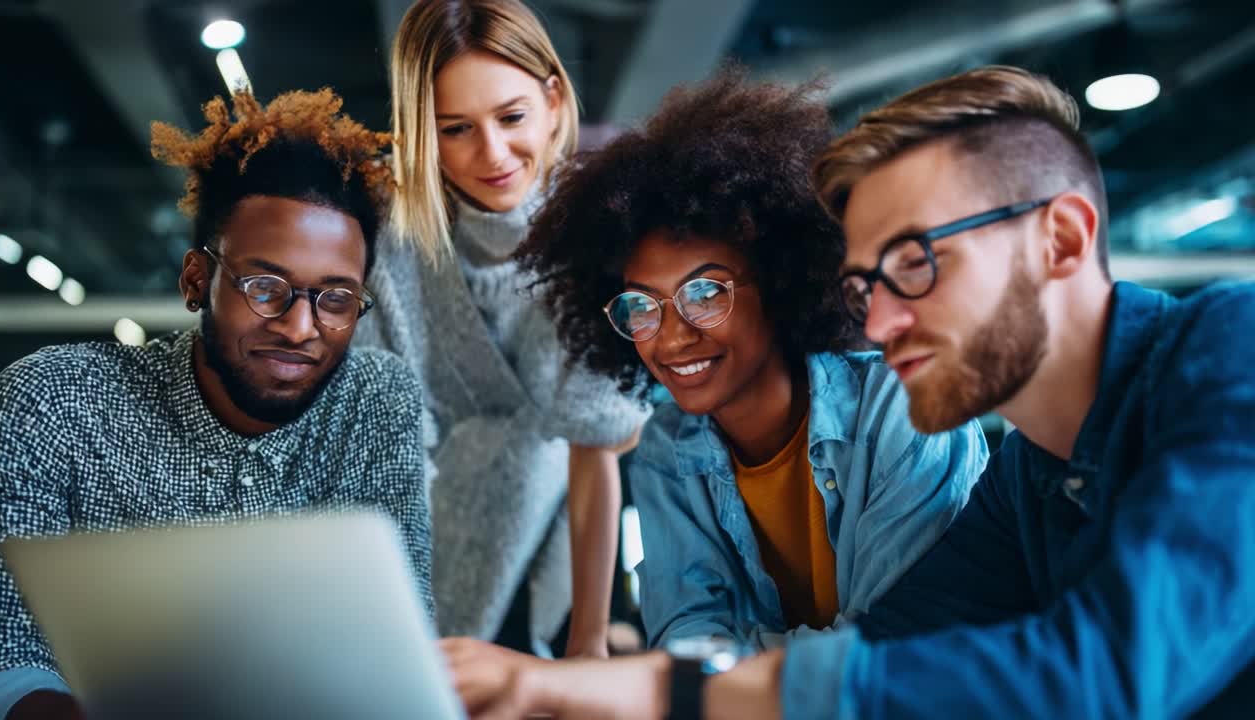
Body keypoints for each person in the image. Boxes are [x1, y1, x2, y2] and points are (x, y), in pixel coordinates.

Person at [447, 65, 1255, 720]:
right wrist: (592, 690)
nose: (879, 323)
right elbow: (888, 658)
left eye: (915, 263)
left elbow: (1105, 674)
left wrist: (662, 689)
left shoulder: (1233, 347)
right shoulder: (1025, 486)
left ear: (1062, 239)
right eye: (867, 284)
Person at [0, 88, 433, 720]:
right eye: (266, 287)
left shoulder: (378, 401)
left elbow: (404, 639)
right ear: (196, 280)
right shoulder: (55, 402)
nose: (301, 327)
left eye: (335, 298)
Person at [509, 70, 986, 650]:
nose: (671, 337)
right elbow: (686, 638)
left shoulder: (904, 408)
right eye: (642, 306)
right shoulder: (666, 449)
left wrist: (722, 672)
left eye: (706, 293)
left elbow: (888, 655)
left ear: (780, 280)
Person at [357, 0, 647, 658]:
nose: (492, 153)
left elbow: (595, 442)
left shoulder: (599, 233)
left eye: (511, 117)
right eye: (455, 128)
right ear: (422, 131)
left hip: (572, 543)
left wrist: (590, 641)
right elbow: (388, 438)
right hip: (418, 538)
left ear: (551, 101)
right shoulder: (391, 235)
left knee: (533, 451)